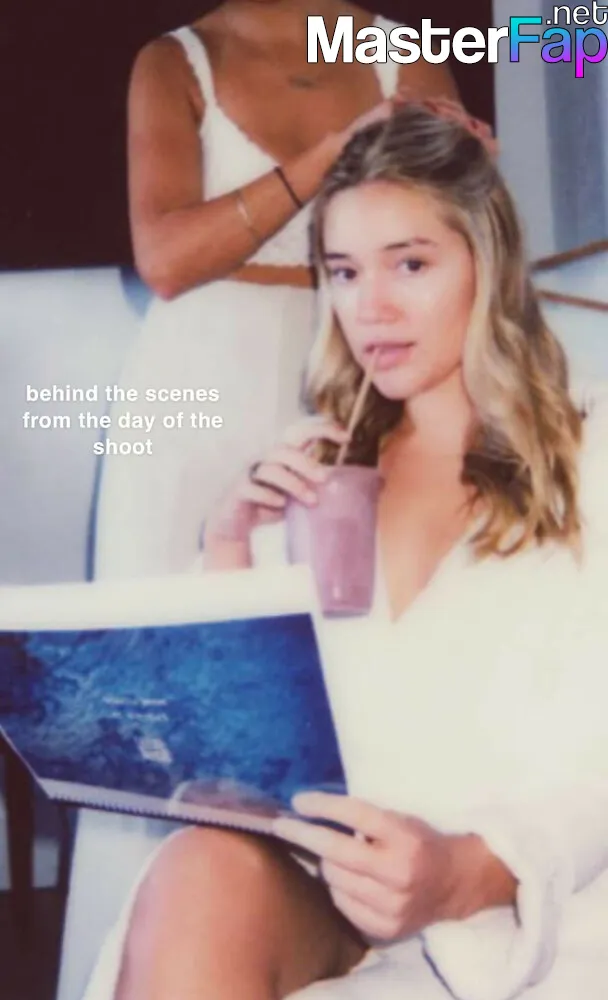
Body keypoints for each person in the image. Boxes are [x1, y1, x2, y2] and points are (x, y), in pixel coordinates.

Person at [80, 102, 608, 1000]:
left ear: (488, 261)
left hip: (518, 907)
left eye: (411, 263)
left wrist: (463, 873)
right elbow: (231, 765)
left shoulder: (588, 457)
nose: (373, 308)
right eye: (345, 272)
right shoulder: (316, 468)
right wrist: (228, 549)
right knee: (198, 872)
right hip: (329, 894)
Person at [92, 0, 459, 581]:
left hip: (351, 378)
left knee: (345, 608)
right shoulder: (172, 60)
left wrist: (468, 178)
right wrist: (334, 153)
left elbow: (449, 239)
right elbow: (165, 262)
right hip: (190, 385)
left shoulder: (406, 53)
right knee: (158, 610)